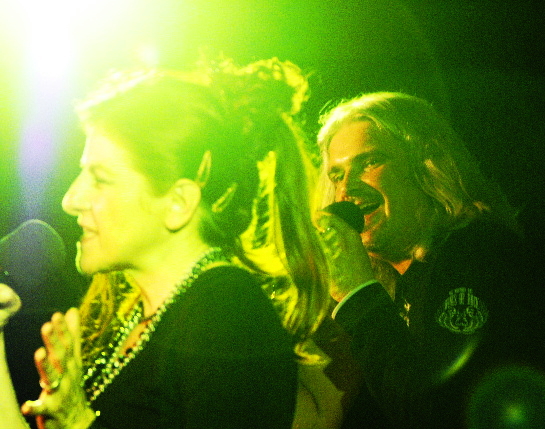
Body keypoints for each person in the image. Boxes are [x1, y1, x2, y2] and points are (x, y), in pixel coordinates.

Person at [0, 57, 341, 429]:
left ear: (178, 203)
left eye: (101, 178)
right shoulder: (140, 317)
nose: (71, 199)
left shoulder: (227, 316)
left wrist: (79, 421)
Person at [314, 92, 545, 429]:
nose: (346, 190)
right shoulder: (401, 286)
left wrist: (358, 297)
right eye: (336, 175)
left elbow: (440, 412)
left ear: (426, 165)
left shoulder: (473, 253)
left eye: (369, 162)